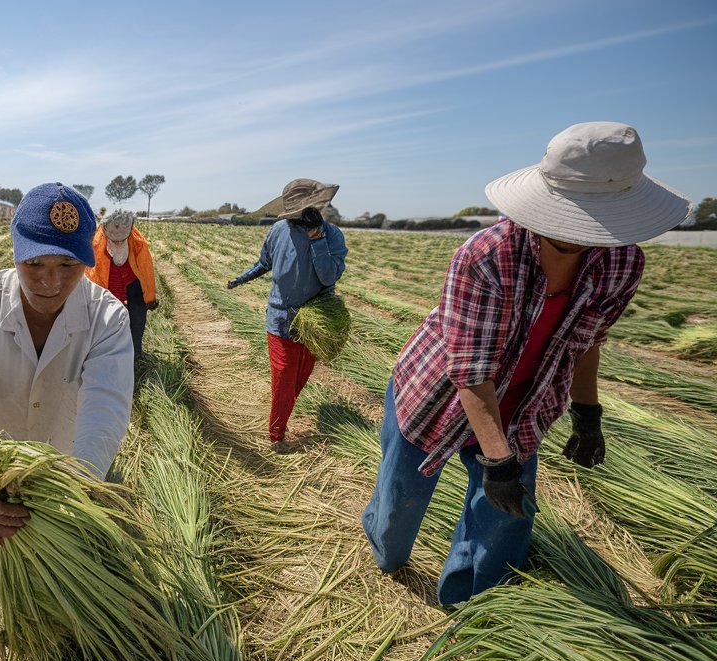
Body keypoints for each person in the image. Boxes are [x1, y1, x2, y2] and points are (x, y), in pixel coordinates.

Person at [361, 122, 693, 607]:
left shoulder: (623, 263)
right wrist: (497, 461)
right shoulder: (486, 256)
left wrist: (587, 413)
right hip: (437, 394)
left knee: (504, 522)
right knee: (398, 507)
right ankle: (386, 555)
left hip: (526, 403)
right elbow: (470, 372)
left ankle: (472, 607)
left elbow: (586, 341)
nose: (591, 240)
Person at [0, 183, 135, 544]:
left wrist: (80, 480)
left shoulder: (109, 318)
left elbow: (106, 405)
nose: (50, 282)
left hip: (71, 460)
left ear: (87, 258)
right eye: (34, 263)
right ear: (15, 254)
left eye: (68, 265)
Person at [227, 179, 347, 451]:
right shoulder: (279, 231)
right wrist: (241, 279)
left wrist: (317, 238)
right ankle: (276, 434)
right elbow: (265, 262)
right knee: (283, 376)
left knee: (300, 377)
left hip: (315, 321)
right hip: (280, 319)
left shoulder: (333, 236)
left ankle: (284, 412)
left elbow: (329, 275)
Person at [85, 210, 158, 362]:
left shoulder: (137, 242)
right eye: (114, 240)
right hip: (108, 284)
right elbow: (91, 273)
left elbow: (146, 270)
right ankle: (109, 352)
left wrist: (150, 298)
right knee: (108, 319)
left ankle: (135, 352)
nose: (118, 242)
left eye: (121, 239)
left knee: (137, 316)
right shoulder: (97, 243)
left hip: (132, 281)